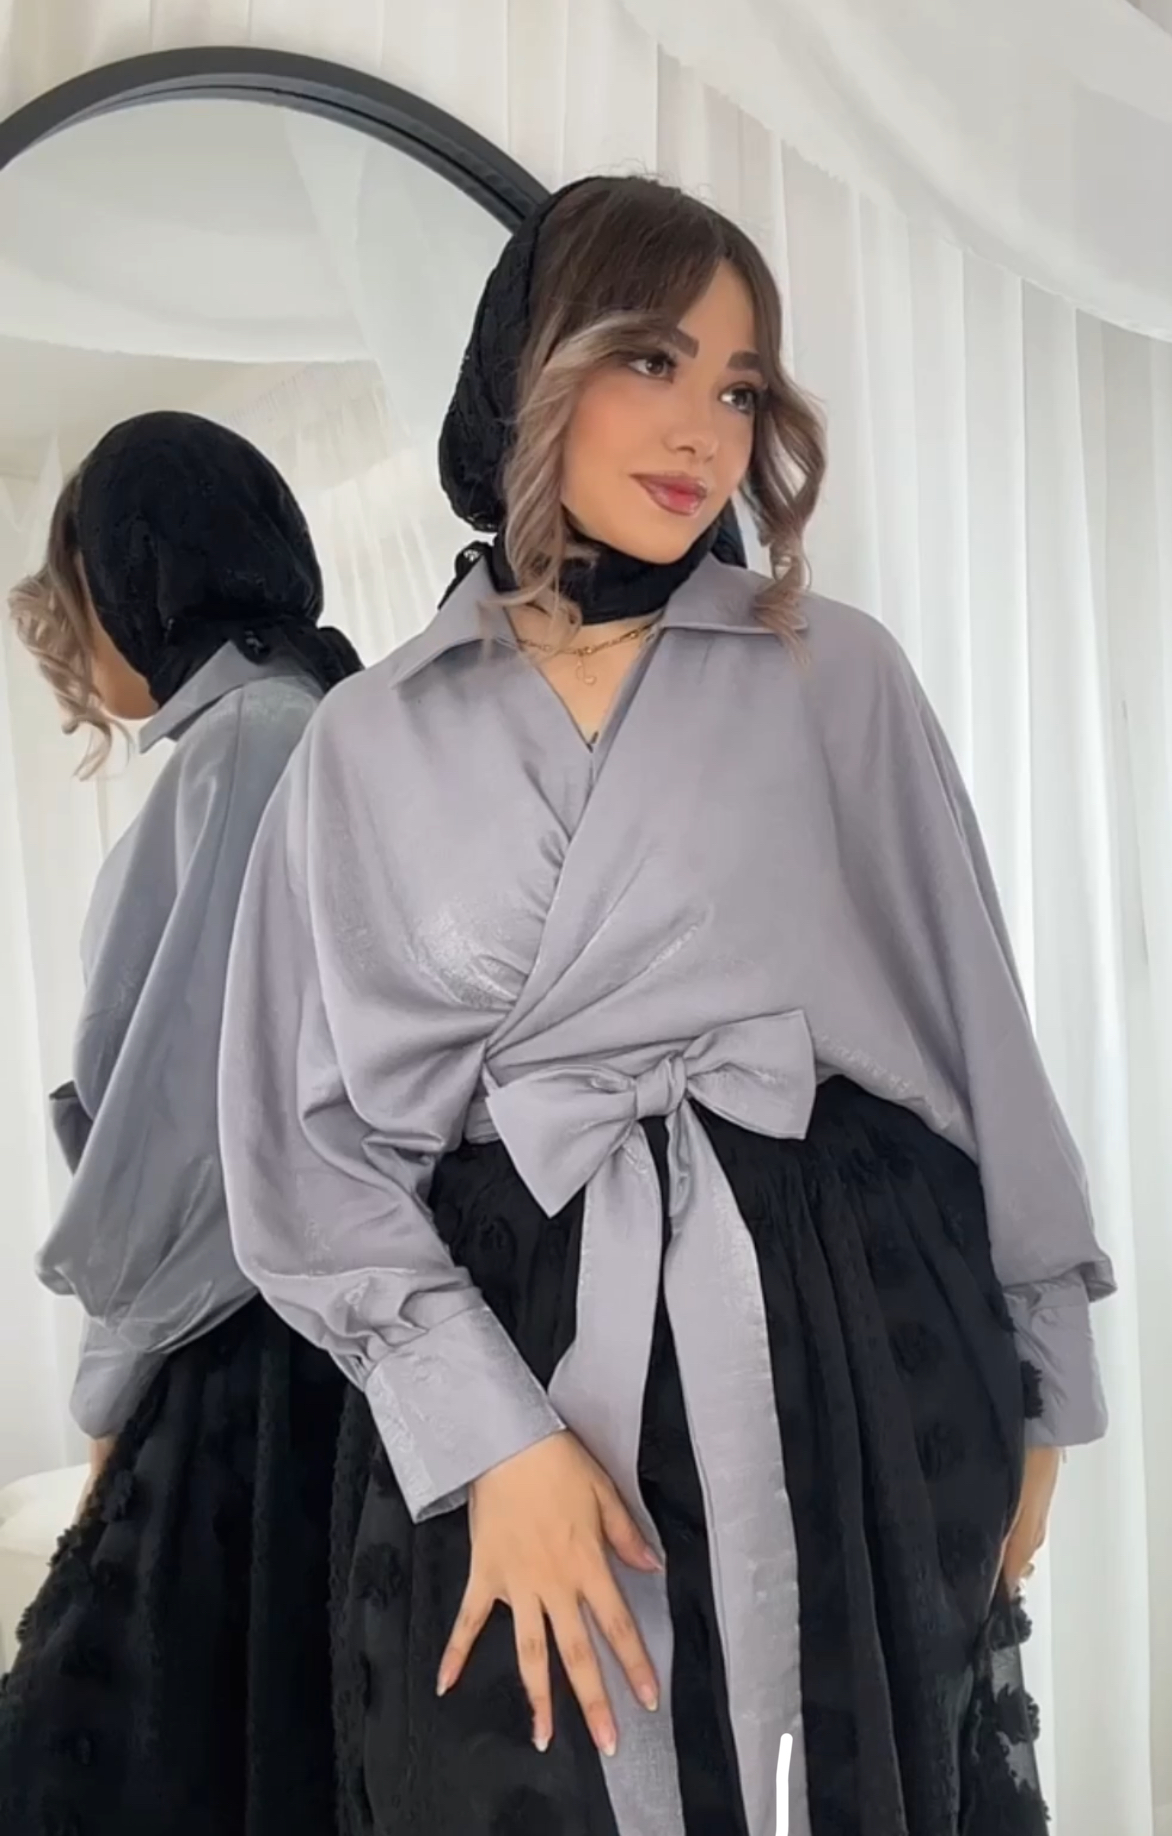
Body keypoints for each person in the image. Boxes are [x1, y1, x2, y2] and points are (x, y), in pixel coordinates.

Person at [220, 178, 1115, 1836]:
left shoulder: (831, 671)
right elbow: (308, 1151)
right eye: (651, 359)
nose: (704, 427)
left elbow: (974, 1037)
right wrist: (490, 1441)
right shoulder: (367, 743)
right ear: (531, 369)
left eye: (739, 385)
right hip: (515, 1362)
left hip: (849, 1357)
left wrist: (1044, 1382)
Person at [0, 411, 361, 1836]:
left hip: (241, 1351)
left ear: (138, 572)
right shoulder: (289, 721)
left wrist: (111, 1387)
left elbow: (194, 1115)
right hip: (270, 1324)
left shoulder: (252, 744)